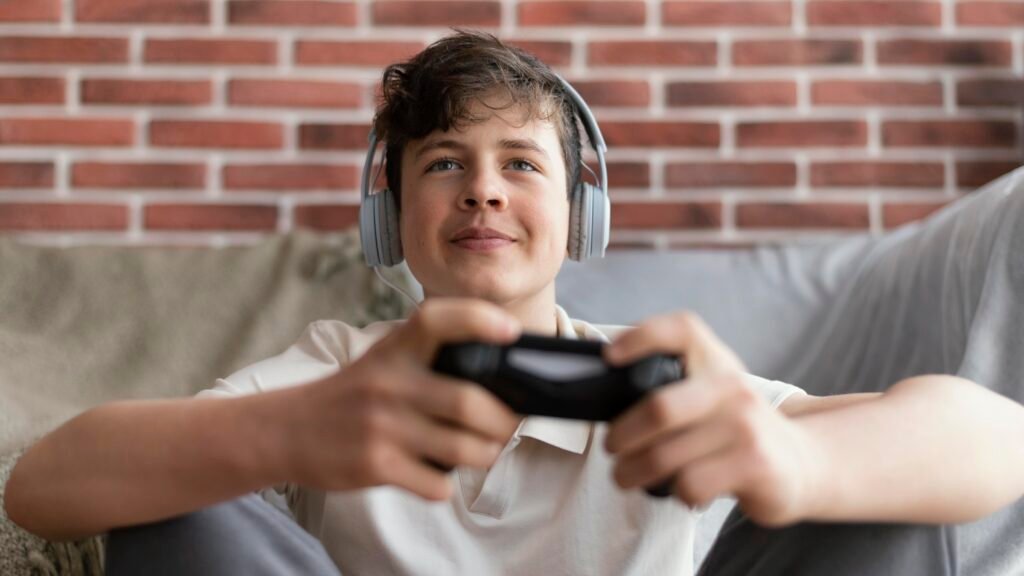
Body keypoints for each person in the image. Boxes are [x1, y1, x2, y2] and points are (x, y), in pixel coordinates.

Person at [5, 31, 1024, 576]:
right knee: (172, 494)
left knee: (878, 494)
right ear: (390, 217)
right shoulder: (336, 372)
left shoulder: (655, 381)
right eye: (444, 162)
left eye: (519, 165)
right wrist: (284, 433)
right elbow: (43, 486)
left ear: (582, 214)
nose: (482, 189)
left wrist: (799, 459)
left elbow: (1004, 448)